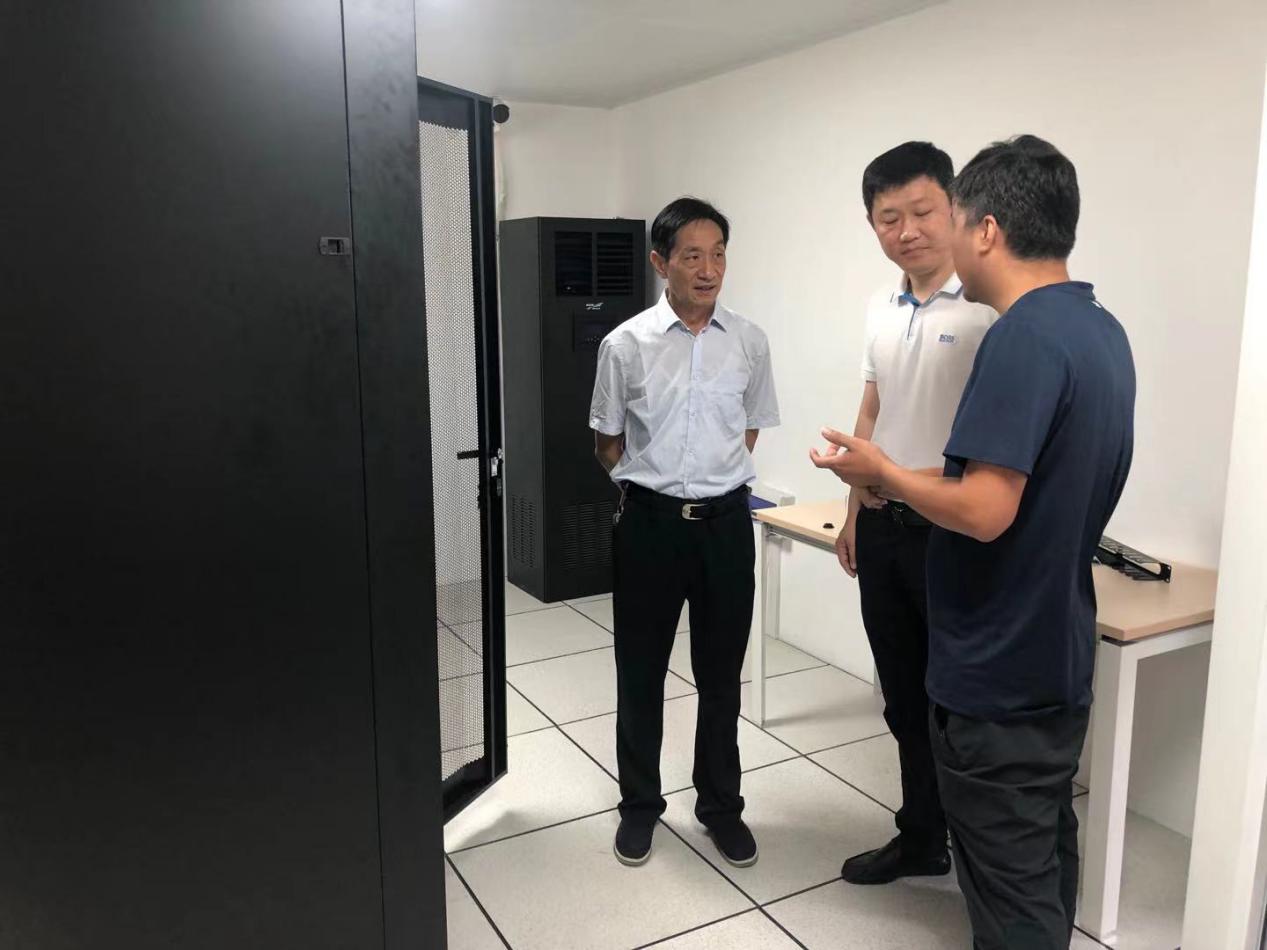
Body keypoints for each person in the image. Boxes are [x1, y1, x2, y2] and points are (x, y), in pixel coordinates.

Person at [811, 135, 1134, 949]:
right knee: (1040, 840)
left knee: (1007, 882)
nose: (927, 234)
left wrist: (885, 475)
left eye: (942, 216)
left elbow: (986, 508)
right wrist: (870, 490)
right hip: (1049, 640)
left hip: (999, 654)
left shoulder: (1017, 335)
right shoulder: (1097, 327)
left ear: (983, 228)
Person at [589, 196, 780, 868]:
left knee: (721, 677)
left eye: (718, 254)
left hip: (725, 527)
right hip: (649, 526)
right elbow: (607, 443)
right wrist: (662, 483)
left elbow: (748, 429)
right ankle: (639, 806)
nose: (708, 269)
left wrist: (710, 479)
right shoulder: (625, 345)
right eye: (692, 256)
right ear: (660, 262)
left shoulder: (749, 342)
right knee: (640, 673)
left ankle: (720, 806)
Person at [836, 142, 997, 887]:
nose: (906, 231)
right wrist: (852, 508)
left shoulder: (990, 307)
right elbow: (873, 408)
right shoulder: (881, 305)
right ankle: (921, 837)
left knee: (958, 707)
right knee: (901, 696)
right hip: (884, 527)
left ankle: (986, 863)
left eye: (922, 211)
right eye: (887, 217)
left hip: (953, 532)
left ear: (955, 207)